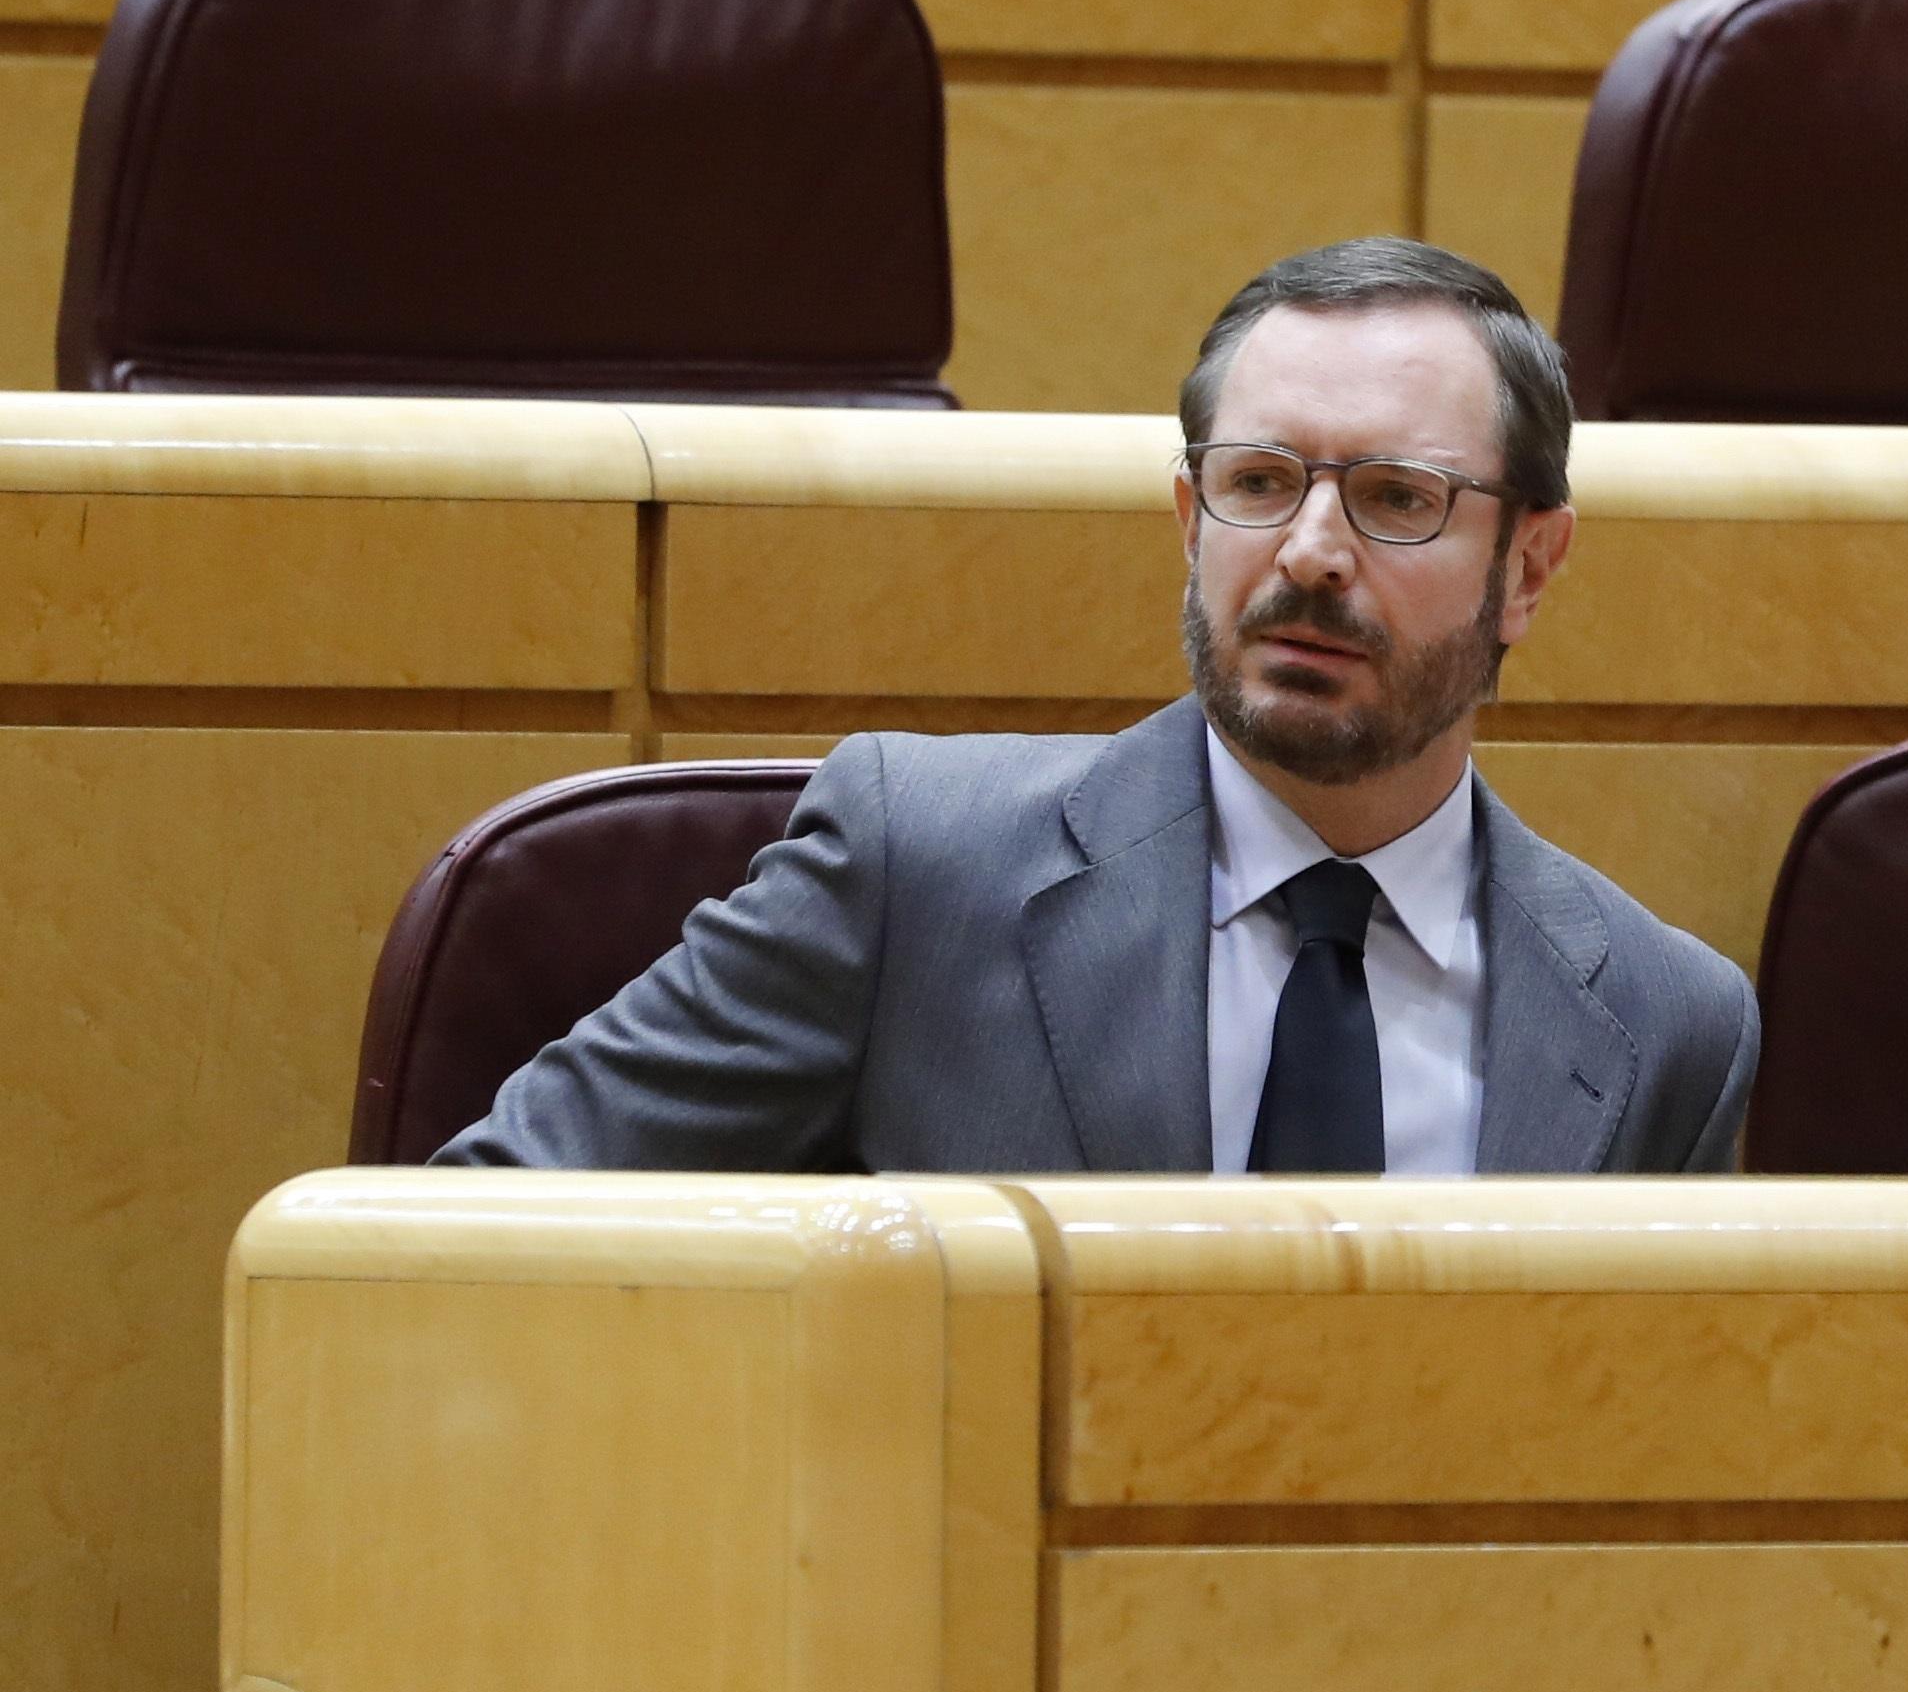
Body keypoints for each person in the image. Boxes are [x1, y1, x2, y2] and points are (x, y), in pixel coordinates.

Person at [443, 238, 1757, 1174]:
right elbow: (481, 1237)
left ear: (1529, 567)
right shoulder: (914, 873)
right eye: (1257, 482)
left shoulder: (1664, 1027)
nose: (1306, 552)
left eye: (1398, 499)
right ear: (1191, 521)